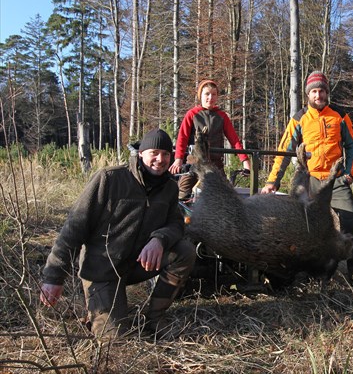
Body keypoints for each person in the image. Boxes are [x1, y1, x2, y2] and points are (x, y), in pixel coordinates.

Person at [40, 129, 196, 338]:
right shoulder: (109, 179)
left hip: (137, 264)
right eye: (154, 153)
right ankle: (100, 310)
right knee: (115, 342)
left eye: (166, 154)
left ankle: (155, 318)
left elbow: (176, 224)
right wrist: (54, 277)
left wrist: (159, 239)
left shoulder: (169, 187)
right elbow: (74, 229)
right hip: (102, 270)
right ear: (141, 153)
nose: (160, 159)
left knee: (184, 251)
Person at [260, 71, 353, 285]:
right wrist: (273, 181)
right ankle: (308, 275)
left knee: (351, 225)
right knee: (305, 229)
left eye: (322, 91)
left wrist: (349, 174)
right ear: (308, 95)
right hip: (309, 180)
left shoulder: (339, 115)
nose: (318, 95)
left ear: (327, 93)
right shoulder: (300, 118)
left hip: (335, 181)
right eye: (314, 91)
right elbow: (284, 151)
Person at [169, 79, 251, 199]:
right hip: (195, 164)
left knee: (229, 195)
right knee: (182, 194)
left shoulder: (222, 116)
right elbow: (182, 138)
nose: (210, 97)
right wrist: (178, 159)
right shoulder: (192, 114)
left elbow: (234, 140)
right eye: (207, 94)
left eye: (214, 94)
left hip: (215, 165)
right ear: (200, 95)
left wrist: (245, 161)